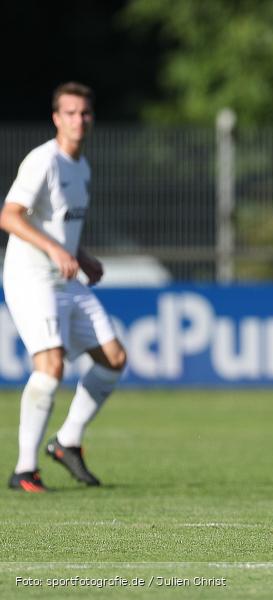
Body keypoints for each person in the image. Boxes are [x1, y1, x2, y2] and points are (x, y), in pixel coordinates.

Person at [2, 82, 127, 492]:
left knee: (113, 358)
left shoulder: (81, 166)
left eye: (85, 113)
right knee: (51, 365)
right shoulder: (44, 161)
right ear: (57, 118)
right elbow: (10, 216)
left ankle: (67, 441)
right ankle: (24, 470)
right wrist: (57, 251)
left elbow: (58, 224)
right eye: (70, 112)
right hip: (32, 275)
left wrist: (82, 255)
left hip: (66, 278)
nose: (78, 120)